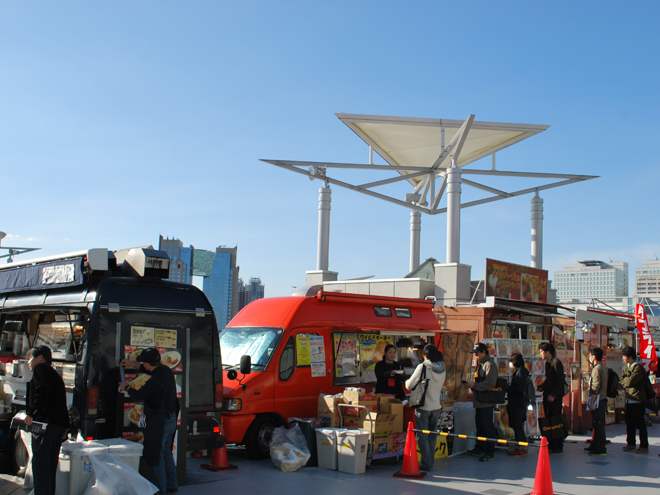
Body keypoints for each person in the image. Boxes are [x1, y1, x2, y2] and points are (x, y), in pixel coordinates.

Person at [120, 348, 179, 494]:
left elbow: (140, 394)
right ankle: (172, 485)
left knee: (155, 456)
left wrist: (126, 386)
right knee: (166, 453)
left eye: (143, 363)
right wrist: (132, 364)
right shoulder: (165, 370)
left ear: (147, 364)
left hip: (160, 422)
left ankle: (159, 490)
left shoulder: (155, 382)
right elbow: (150, 371)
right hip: (171, 418)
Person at [24, 345, 70, 495]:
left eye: (30, 358)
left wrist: (31, 413)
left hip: (46, 424)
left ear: (40, 358)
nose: (28, 362)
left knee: (40, 464)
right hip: (58, 426)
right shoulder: (54, 373)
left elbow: (41, 392)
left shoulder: (41, 370)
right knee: (50, 465)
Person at [405, 344, 446, 472]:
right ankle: (430, 462)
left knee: (423, 436)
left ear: (426, 355)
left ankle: (427, 464)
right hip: (436, 407)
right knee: (432, 436)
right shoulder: (443, 368)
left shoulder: (422, 366)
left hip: (423, 406)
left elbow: (408, 385)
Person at [466, 342, 498, 462]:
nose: (476, 356)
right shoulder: (482, 364)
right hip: (479, 401)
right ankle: (480, 447)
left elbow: (491, 383)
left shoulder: (490, 365)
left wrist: (476, 385)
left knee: (487, 427)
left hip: (486, 402)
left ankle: (489, 452)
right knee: (479, 426)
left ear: (484, 352)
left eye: (477, 353)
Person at [537, 342, 565, 455]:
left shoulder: (557, 363)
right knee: (549, 420)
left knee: (556, 420)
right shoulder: (548, 364)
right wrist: (542, 387)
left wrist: (554, 395)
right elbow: (549, 380)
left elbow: (560, 381)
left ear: (548, 352)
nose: (540, 354)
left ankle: (558, 445)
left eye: (541, 352)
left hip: (554, 398)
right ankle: (551, 443)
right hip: (547, 396)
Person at [620, 346, 648, 454]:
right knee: (630, 424)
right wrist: (625, 379)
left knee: (640, 424)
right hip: (629, 400)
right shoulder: (629, 367)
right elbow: (623, 380)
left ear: (630, 357)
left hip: (637, 400)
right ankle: (631, 443)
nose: (623, 359)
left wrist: (625, 380)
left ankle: (644, 445)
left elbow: (629, 382)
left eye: (624, 357)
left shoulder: (638, 368)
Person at [584, 347, 608, 456]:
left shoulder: (597, 369)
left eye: (590, 355)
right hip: (603, 400)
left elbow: (596, 386)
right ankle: (595, 446)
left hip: (598, 401)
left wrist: (592, 402)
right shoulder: (604, 368)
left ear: (594, 357)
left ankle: (600, 447)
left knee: (598, 425)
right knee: (598, 424)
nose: (589, 357)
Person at [506, 352, 530, 457]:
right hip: (521, 403)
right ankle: (523, 447)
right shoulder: (523, 372)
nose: (510, 364)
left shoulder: (519, 373)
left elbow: (519, 388)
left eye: (511, 361)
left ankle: (519, 448)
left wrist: (508, 388)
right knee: (519, 425)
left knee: (517, 426)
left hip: (517, 403)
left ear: (514, 362)